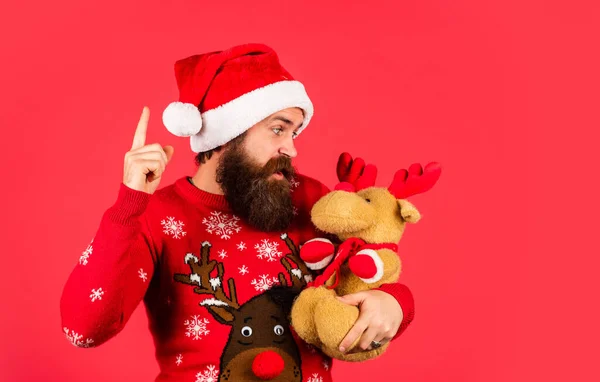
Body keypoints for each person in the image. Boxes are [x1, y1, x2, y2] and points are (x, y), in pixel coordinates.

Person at [60, 43, 415, 382]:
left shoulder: (311, 200)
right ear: (227, 132)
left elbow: (373, 274)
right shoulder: (156, 215)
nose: (290, 148)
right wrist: (127, 206)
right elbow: (83, 329)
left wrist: (394, 304)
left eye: (294, 132)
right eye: (278, 128)